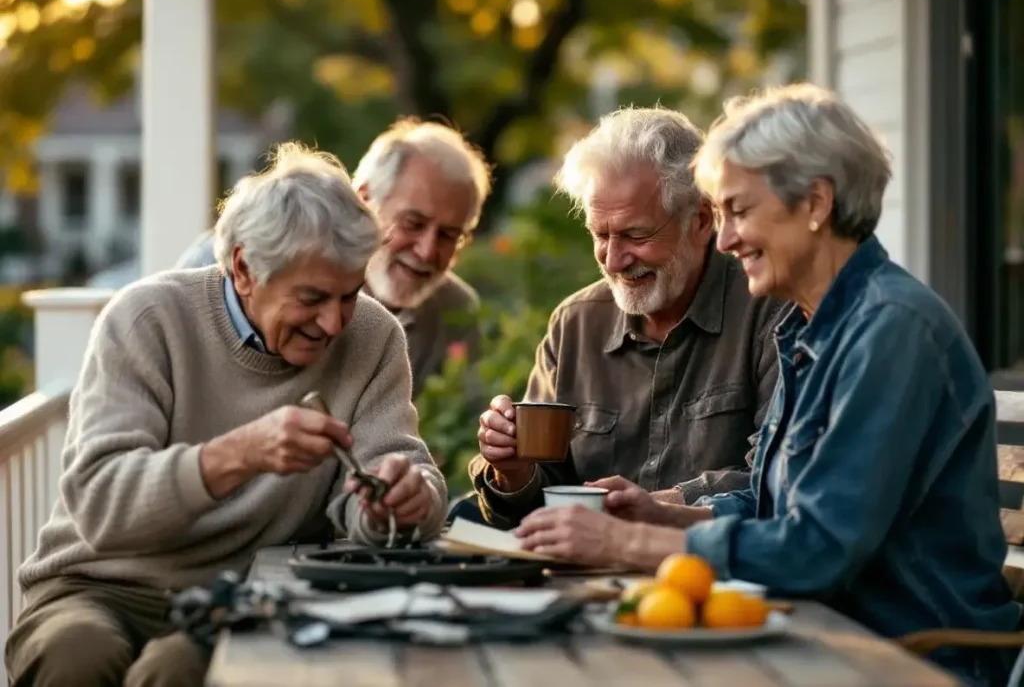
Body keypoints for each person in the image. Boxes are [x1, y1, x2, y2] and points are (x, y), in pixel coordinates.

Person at [513, 84, 1020, 686]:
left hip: (904, 658)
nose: (724, 240)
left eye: (739, 211)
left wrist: (626, 546)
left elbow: (817, 550)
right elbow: (773, 505)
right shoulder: (817, 327)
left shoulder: (891, 331)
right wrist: (658, 515)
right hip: (811, 638)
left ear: (816, 203)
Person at [4, 142, 449, 687]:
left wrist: (401, 502)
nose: (335, 324)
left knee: (179, 670)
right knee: (76, 655)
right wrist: (239, 454)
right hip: (100, 587)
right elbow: (100, 504)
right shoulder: (146, 319)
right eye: (312, 297)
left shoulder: (374, 335)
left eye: (349, 295)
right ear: (243, 268)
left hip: (245, 596)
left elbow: (405, 476)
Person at [468, 107, 786, 529]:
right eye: (601, 235)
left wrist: (663, 506)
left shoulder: (769, 310)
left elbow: (779, 479)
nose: (614, 260)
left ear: (702, 220)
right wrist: (512, 470)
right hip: (586, 578)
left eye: (636, 235)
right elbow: (534, 504)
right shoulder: (576, 324)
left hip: (710, 576)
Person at [177, 119, 490, 398]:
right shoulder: (228, 263)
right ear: (365, 199)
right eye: (413, 223)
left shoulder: (454, 312)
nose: (427, 250)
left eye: (449, 234)